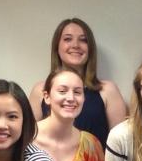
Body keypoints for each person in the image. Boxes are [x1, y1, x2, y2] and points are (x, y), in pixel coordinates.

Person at [29, 18, 127, 147]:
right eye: (68, 39)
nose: (75, 45)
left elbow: (122, 145)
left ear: (90, 49)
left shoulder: (108, 90)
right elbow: (28, 140)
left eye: (83, 40)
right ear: (57, 47)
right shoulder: (40, 90)